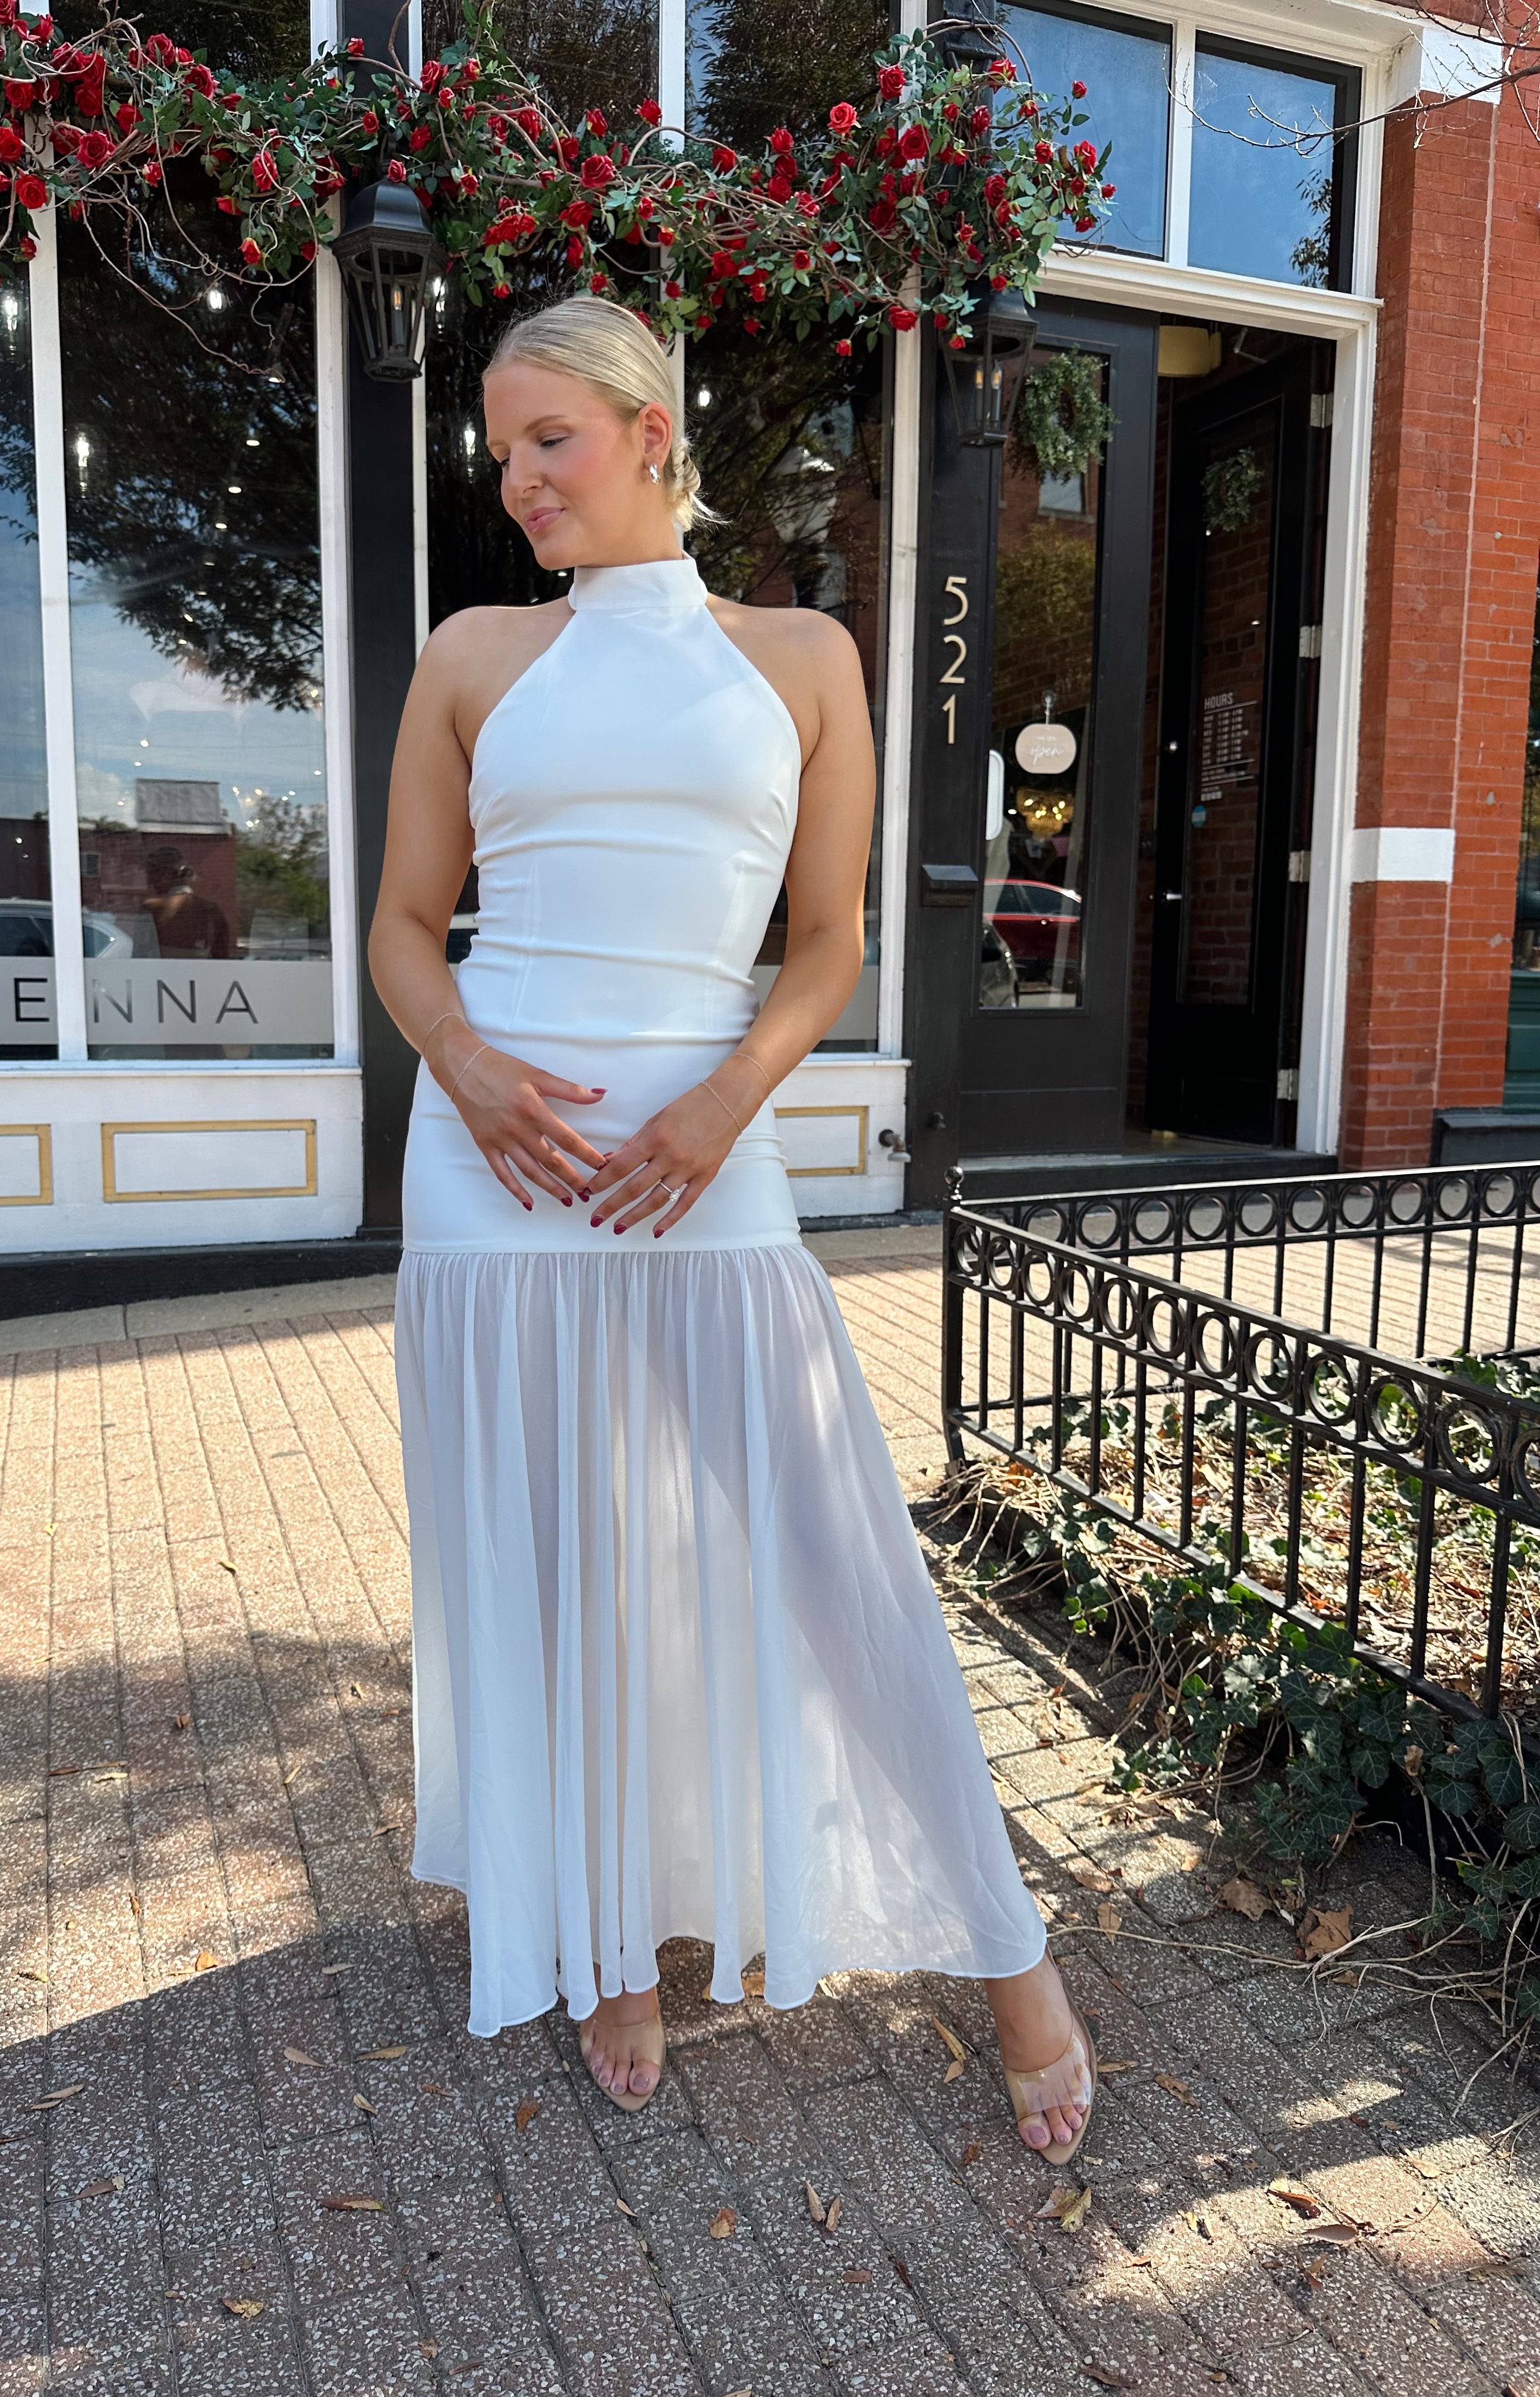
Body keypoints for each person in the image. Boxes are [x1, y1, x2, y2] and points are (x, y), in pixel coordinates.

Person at [368, 294, 1095, 2161]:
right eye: (501, 445)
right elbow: (398, 927)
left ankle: (1013, 1958)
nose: (518, 475)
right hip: (497, 1175)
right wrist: (454, 1056)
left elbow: (832, 939)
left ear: (653, 430)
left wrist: (720, 1103)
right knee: (560, 1566)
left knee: (828, 1545)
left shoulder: (805, 656)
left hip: (711, 1159)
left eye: (552, 437)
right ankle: (608, 1937)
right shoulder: (468, 654)